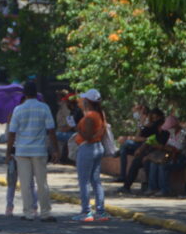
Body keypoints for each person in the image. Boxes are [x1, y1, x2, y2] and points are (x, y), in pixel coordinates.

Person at [6, 81, 60, 222]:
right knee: (42, 183)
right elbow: (51, 130)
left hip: (22, 151)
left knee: (25, 183)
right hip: (39, 151)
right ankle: (45, 213)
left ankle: (28, 212)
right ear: (36, 93)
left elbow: (12, 133)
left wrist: (8, 152)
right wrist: (55, 149)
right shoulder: (44, 108)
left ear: (24, 93)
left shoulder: (18, 110)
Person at [72, 89, 109, 222]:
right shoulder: (100, 114)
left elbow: (86, 135)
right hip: (98, 147)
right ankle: (100, 211)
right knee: (95, 180)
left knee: (84, 181)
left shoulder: (89, 116)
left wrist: (77, 127)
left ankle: (86, 211)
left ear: (87, 101)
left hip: (87, 148)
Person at [118, 108, 169, 194]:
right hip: (151, 152)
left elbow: (163, 146)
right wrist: (140, 149)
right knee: (136, 161)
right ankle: (126, 186)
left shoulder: (166, 133)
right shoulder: (154, 130)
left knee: (146, 161)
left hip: (161, 154)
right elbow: (148, 141)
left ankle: (151, 187)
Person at [5, 95, 38, 217]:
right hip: (17, 154)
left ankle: (33, 206)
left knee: (30, 183)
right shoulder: (15, 117)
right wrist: (8, 154)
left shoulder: (29, 120)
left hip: (26, 154)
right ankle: (9, 206)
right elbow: (9, 137)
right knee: (12, 182)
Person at [145, 115, 186, 197]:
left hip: (181, 158)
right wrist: (165, 148)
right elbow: (169, 146)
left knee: (163, 166)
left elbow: (176, 149)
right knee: (154, 163)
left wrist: (164, 147)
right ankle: (152, 188)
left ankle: (164, 189)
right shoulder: (171, 133)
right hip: (171, 155)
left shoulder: (183, 133)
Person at [114, 104, 150, 182]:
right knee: (124, 148)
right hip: (138, 144)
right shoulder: (140, 121)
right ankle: (122, 175)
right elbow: (137, 135)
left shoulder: (148, 121)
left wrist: (128, 138)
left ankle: (123, 175)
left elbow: (146, 138)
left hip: (145, 146)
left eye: (136, 111)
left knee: (125, 144)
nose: (135, 114)